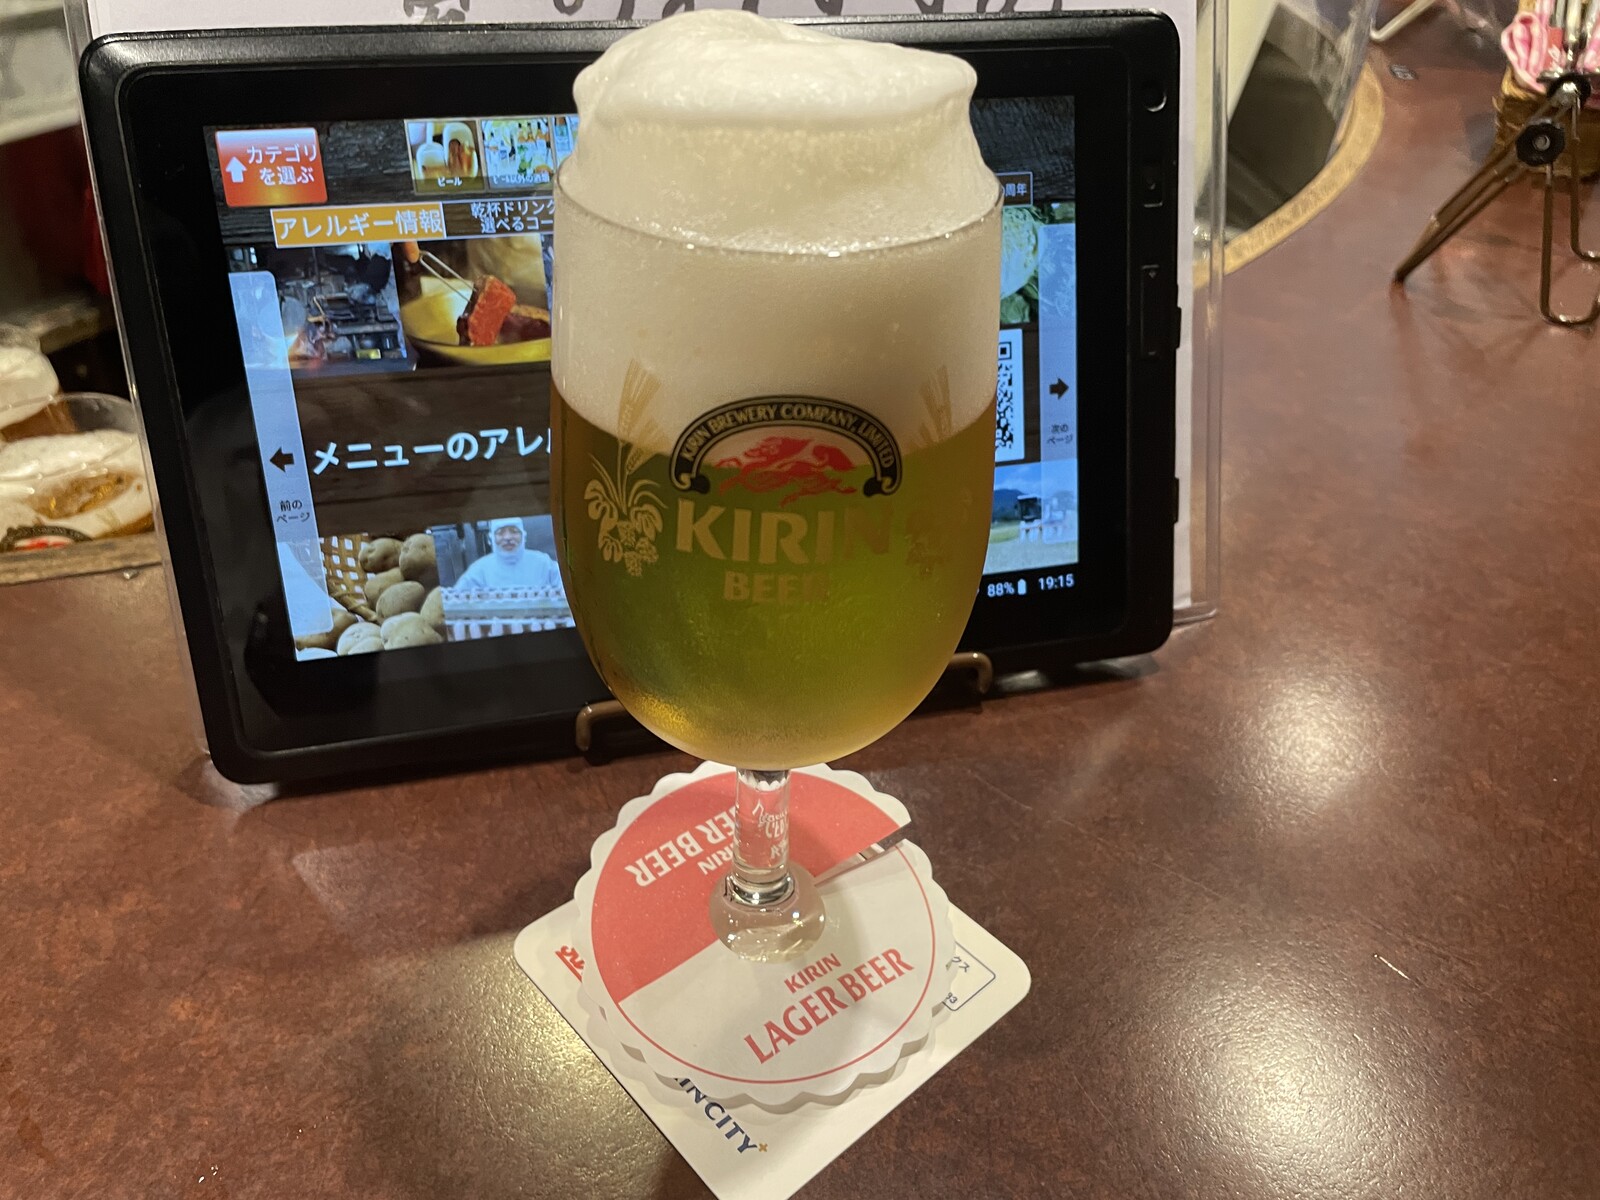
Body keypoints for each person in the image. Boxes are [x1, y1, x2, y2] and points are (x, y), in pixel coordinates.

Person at [454, 517, 561, 590]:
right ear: (491, 539)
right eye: (500, 532)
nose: (508, 537)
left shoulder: (544, 563)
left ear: (523, 536)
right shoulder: (479, 569)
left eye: (514, 531)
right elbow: (456, 601)